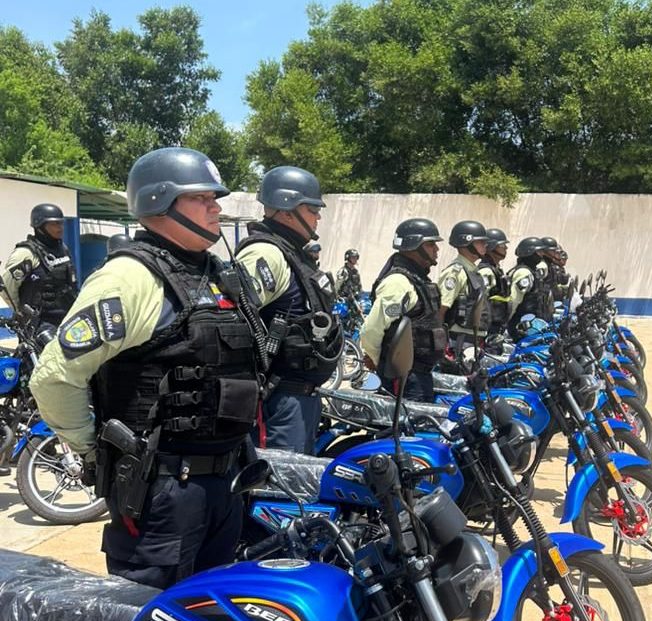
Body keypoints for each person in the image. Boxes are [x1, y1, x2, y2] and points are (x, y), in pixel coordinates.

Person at [29, 147, 262, 588]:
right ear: (160, 201)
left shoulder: (216, 274)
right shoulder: (130, 278)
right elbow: (54, 377)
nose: (216, 207)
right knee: (150, 620)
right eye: (202, 197)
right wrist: (93, 451)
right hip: (162, 492)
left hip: (225, 483)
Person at [235, 166, 342, 453]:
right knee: (280, 492)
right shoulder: (266, 254)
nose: (318, 216)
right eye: (311, 209)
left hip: (299, 401)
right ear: (286, 209)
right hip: (279, 401)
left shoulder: (293, 253)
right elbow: (235, 322)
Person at [361, 219, 445, 401]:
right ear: (414, 246)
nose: (436, 249)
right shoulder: (398, 283)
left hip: (418, 375)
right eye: (431, 244)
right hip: (405, 378)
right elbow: (372, 329)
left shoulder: (417, 280)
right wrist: (376, 361)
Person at [1, 203, 78, 328]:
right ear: (39, 226)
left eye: (60, 223)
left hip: (66, 320)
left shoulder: (63, 249)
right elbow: (7, 288)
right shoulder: (26, 253)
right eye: (54, 224)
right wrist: (21, 312)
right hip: (39, 325)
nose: (60, 228)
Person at [438, 221, 491, 356]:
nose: (485, 245)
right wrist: (440, 346)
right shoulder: (456, 273)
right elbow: (440, 310)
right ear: (467, 243)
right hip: (458, 342)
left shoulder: (472, 271)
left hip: (471, 341)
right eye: (480, 242)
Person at [506, 236, 555, 340]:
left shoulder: (532, 272)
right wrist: (505, 324)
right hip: (522, 327)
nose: (542, 255)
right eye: (539, 252)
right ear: (530, 252)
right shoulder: (524, 273)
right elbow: (514, 301)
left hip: (531, 325)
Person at [478, 228, 511, 339]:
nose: (506, 248)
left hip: (497, 327)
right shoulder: (486, 271)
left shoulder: (496, 270)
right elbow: (479, 302)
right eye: (502, 245)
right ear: (491, 247)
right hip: (488, 329)